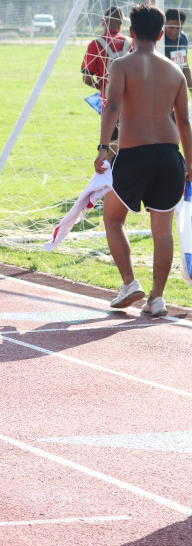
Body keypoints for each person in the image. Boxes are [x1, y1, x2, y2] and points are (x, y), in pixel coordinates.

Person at [94, 3, 192, 316]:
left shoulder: (121, 65)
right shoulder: (175, 71)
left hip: (134, 154)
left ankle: (129, 283)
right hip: (169, 155)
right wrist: (190, 164)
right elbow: (185, 122)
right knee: (162, 231)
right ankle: (157, 298)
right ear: (162, 33)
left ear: (132, 33)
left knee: (112, 218)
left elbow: (111, 108)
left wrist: (101, 148)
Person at [82, 6, 131, 156]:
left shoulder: (95, 44)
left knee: (109, 150)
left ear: (103, 22)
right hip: (132, 105)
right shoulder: (131, 43)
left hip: (109, 104)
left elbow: (87, 78)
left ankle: (111, 178)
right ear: (121, 24)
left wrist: (102, 86)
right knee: (130, 147)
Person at [163, 8, 192, 95]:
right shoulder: (158, 39)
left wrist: (191, 88)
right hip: (160, 87)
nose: (175, 31)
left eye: (179, 28)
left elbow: (184, 65)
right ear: (164, 24)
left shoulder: (183, 38)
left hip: (177, 86)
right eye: (171, 27)